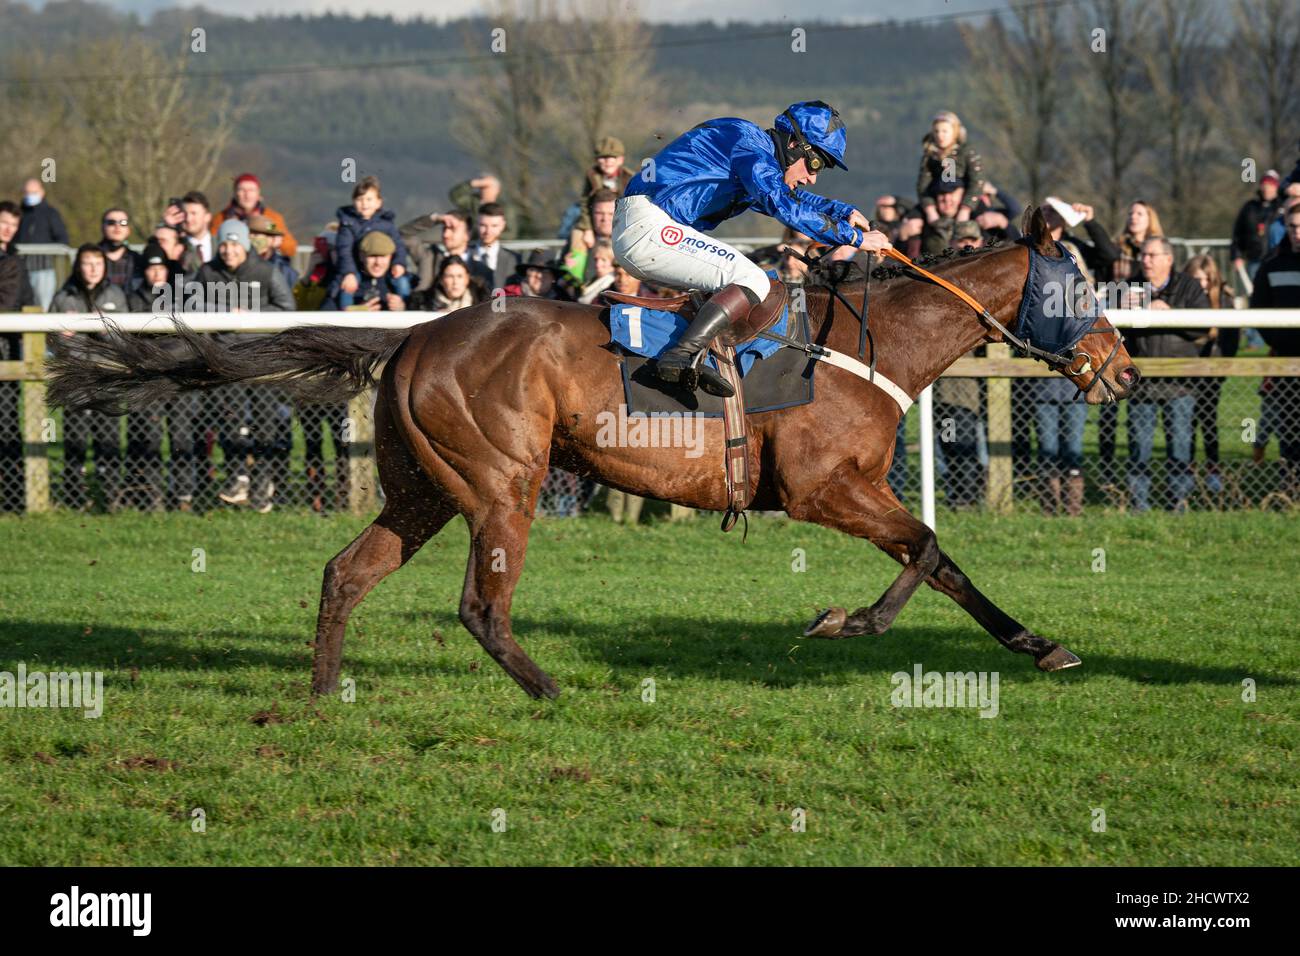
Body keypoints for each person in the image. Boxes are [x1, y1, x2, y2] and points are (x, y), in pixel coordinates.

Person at [615, 100, 891, 397]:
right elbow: (781, 203)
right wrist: (856, 239)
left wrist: (841, 211)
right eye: (816, 164)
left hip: (650, 227)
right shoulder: (748, 143)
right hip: (648, 226)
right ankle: (680, 357)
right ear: (796, 144)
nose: (812, 177)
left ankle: (695, 356)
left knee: (744, 284)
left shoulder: (755, 158)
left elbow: (783, 197)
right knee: (753, 280)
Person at [195, 220, 293, 513]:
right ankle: (238, 476)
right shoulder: (208, 272)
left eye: (235, 244)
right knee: (231, 418)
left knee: (264, 421)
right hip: (225, 356)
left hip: (260, 356)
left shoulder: (266, 271)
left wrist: (251, 316)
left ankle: (262, 481)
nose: (228, 250)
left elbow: (286, 308)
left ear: (246, 246)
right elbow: (190, 303)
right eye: (224, 244)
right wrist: (225, 313)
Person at [1122, 237, 1209, 512]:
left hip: (1179, 382)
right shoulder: (1127, 287)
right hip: (1141, 382)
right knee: (1139, 447)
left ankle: (1178, 503)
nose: (1145, 260)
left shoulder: (1189, 286)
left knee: (1180, 447)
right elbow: (1110, 331)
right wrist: (1122, 309)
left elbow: (1203, 326)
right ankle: (1139, 504)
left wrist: (1171, 313)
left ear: (1168, 259)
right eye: (1143, 255)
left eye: (1152, 255)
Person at [50, 245, 129, 510]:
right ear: (78, 266)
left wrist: (104, 327)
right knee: (75, 435)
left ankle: (110, 495)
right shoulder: (63, 297)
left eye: (98, 262)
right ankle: (73, 494)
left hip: (108, 373)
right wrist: (63, 335)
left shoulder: (115, 294)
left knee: (107, 434)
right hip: (75, 374)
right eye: (87, 263)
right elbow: (49, 337)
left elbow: (126, 337)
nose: (93, 268)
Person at [1252, 204, 1300, 495]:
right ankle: (1291, 489)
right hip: (1285, 362)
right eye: (1293, 226)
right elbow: (1259, 312)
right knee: (1290, 430)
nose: (1297, 232)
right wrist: (1279, 342)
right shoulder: (1272, 265)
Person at [1183, 255, 1238, 495]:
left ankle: (1213, 469)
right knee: (1186, 423)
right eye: (1196, 279)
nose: (1202, 284)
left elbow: (1232, 338)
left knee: (1208, 420)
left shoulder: (1224, 301)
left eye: (1205, 279)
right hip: (1186, 369)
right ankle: (1187, 469)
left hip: (1212, 370)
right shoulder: (1183, 298)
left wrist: (1223, 366)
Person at [332, 176, 410, 308]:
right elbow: (344, 251)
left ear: (378, 203)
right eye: (359, 199)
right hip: (356, 267)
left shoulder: (387, 224)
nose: (364, 203)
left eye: (369, 199)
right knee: (348, 286)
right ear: (353, 202)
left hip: (384, 270)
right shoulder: (348, 224)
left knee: (402, 282)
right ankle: (346, 311)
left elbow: (398, 246)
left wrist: (399, 263)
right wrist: (349, 272)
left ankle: (406, 305)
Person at [916, 111, 985, 225]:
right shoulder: (930, 155)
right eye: (936, 131)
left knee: (987, 221)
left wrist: (966, 208)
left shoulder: (967, 152)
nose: (940, 135)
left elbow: (977, 182)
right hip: (938, 202)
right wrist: (930, 209)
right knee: (912, 224)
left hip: (966, 200)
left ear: (955, 132)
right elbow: (922, 186)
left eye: (945, 131)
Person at [211, 173, 298, 259]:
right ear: (235, 193)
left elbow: (291, 248)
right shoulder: (222, 218)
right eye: (242, 190)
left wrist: (275, 243)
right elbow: (212, 246)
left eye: (251, 190)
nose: (247, 195)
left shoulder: (271, 219)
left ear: (258, 193)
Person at [14, 178, 68, 309]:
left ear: (42, 192)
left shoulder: (51, 213)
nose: (30, 195)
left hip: (44, 269)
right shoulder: (19, 213)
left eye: (34, 192)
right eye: (27, 192)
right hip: (21, 269)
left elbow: (62, 239)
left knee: (45, 306)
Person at [1231, 170, 1281, 284]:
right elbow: (1238, 233)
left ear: (1276, 187)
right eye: (1265, 185)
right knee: (1256, 296)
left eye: (1271, 185)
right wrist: (1236, 256)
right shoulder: (1250, 207)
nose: (1267, 188)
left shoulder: (1283, 206)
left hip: (1278, 259)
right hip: (1255, 260)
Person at [468, 201, 520, 292]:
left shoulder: (514, 259)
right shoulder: (464, 253)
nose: (488, 231)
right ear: (477, 224)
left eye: (494, 226)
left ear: (503, 226)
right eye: (483, 225)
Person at [1110, 200, 1163, 282]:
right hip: (1118, 292)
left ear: (1150, 218)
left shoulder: (1160, 247)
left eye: (1139, 214)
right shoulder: (1117, 245)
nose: (1133, 217)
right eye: (1130, 214)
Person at [97, 207, 142, 291]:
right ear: (103, 227)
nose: (117, 226)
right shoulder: (90, 258)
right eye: (111, 222)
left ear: (128, 230)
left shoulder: (138, 260)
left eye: (123, 223)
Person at [179, 190, 214, 273]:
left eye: (193, 213)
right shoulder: (178, 248)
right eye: (185, 214)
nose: (188, 219)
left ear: (207, 217)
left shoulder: (221, 245)